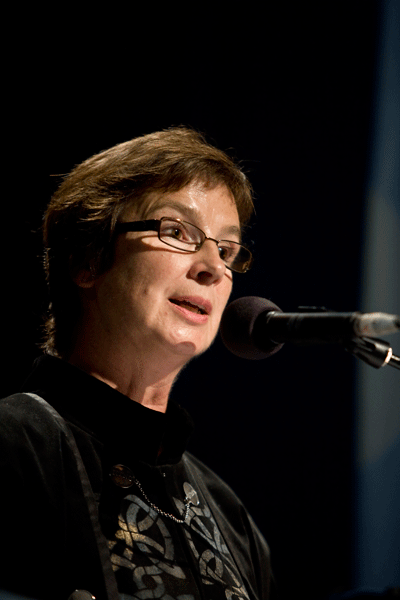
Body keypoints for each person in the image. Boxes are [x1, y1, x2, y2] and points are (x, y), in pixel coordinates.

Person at [0, 127, 274, 600]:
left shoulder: (228, 515)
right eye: (177, 231)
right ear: (87, 260)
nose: (213, 267)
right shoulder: (14, 444)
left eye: (227, 250)